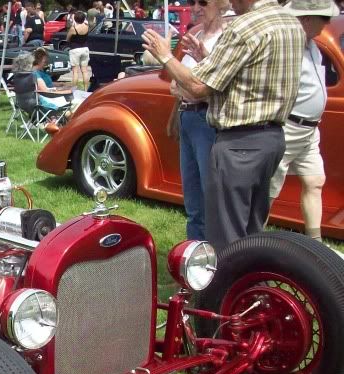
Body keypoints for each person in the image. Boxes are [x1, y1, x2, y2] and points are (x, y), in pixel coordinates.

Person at [143, 0, 305, 249]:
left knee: (227, 237)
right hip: (271, 138)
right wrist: (207, 58)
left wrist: (164, 55)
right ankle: (253, 284)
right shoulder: (290, 23)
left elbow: (197, 86)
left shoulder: (245, 26)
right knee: (252, 229)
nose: (230, 2)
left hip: (240, 142)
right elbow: (250, 78)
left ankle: (225, 285)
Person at [268, 0, 338, 242]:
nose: (326, 24)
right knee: (268, 190)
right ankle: (250, 240)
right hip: (289, 126)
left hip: (309, 129)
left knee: (315, 180)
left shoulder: (313, 46)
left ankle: (315, 242)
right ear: (307, 19)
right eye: (323, 18)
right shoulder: (290, 46)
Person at [169, 0, 229, 240]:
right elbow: (175, 84)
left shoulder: (224, 40)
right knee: (193, 200)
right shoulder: (196, 35)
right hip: (188, 117)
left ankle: (217, 258)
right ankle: (195, 258)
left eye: (203, 2)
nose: (195, 7)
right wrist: (176, 113)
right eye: (192, 2)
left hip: (207, 119)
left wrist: (187, 86)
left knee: (211, 196)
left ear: (221, 4)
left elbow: (200, 88)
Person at [66, 11, 90, 91]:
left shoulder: (73, 28)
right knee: (85, 71)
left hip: (75, 49)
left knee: (75, 72)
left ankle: (74, 90)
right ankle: (86, 89)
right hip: (85, 48)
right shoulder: (87, 26)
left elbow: (67, 38)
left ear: (75, 19)